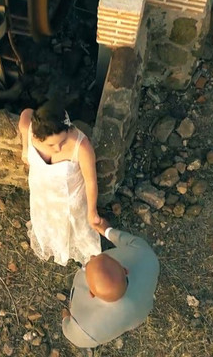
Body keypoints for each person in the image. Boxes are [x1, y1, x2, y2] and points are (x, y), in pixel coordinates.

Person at [18, 100, 102, 266]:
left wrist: (92, 211)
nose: (57, 148)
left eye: (62, 141)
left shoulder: (82, 147)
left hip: (70, 200)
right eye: (51, 144)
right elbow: (26, 112)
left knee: (74, 227)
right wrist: (25, 148)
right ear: (35, 135)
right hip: (42, 193)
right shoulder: (29, 127)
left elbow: (91, 181)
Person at [61, 218, 160, 350]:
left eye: (88, 267)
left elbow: (73, 336)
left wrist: (65, 319)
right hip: (139, 312)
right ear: (125, 270)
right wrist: (108, 231)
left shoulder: (86, 330)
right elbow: (132, 241)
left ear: (91, 293)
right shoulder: (146, 256)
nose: (91, 257)